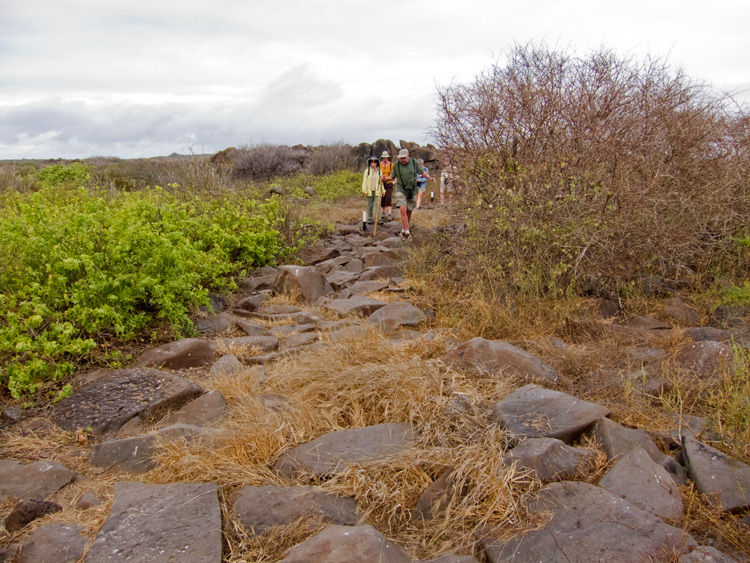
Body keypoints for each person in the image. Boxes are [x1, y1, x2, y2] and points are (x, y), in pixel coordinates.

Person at [392, 148, 421, 239]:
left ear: (408, 156)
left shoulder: (414, 162)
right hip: (401, 190)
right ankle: (407, 233)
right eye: (401, 158)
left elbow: (421, 171)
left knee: (409, 211)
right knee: (402, 209)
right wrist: (385, 179)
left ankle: (404, 230)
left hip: (412, 190)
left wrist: (429, 177)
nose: (403, 160)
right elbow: (392, 176)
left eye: (404, 158)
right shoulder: (396, 165)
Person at [361, 156, 384, 224]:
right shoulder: (367, 171)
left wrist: (383, 190)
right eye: (372, 162)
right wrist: (365, 191)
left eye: (375, 162)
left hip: (377, 191)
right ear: (370, 163)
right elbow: (364, 181)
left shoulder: (379, 171)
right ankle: (370, 219)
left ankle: (378, 219)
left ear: (377, 163)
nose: (373, 163)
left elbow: (381, 182)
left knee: (377, 205)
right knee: (370, 205)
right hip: (369, 191)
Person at [379, 151, 394, 221]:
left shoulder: (391, 165)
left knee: (388, 197)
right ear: (382, 158)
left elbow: (393, 174)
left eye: (386, 158)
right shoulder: (379, 165)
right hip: (381, 183)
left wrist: (387, 178)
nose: (385, 159)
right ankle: (382, 213)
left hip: (389, 182)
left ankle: (389, 214)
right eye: (384, 158)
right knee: (383, 197)